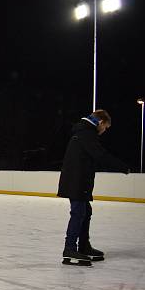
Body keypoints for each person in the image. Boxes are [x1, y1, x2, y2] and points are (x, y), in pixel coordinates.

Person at [57, 110, 130, 265]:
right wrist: (122, 167)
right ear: (101, 122)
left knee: (85, 211)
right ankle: (69, 249)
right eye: (106, 128)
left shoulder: (84, 132)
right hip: (76, 182)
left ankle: (83, 246)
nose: (104, 131)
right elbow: (100, 155)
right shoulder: (87, 134)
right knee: (78, 213)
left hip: (78, 181)